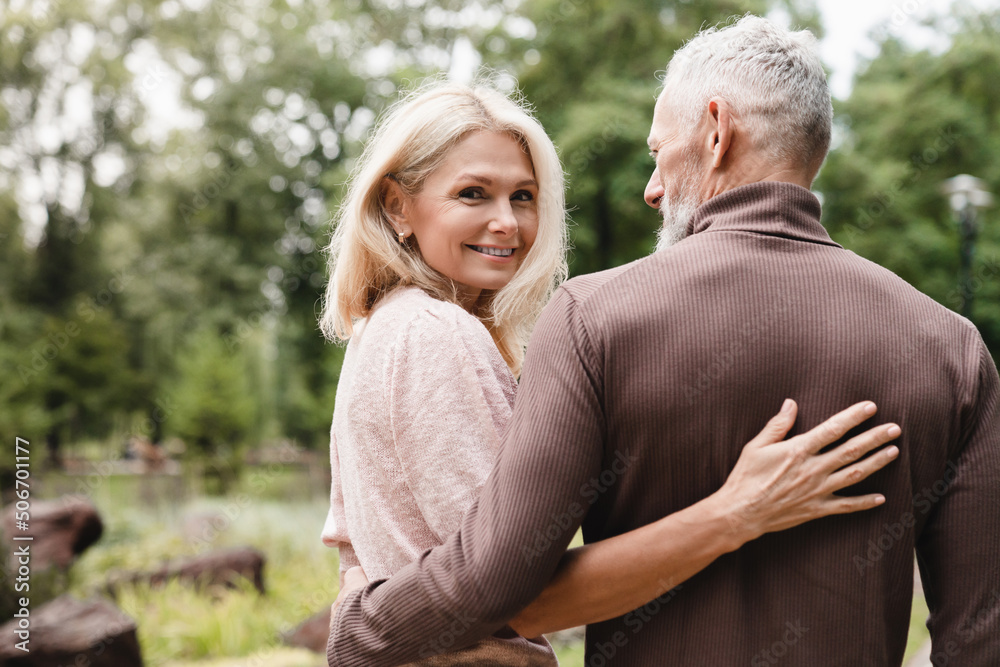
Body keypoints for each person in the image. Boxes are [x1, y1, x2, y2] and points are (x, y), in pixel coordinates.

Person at [326, 16, 1000, 667]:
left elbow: (496, 580)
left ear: (716, 131)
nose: (651, 190)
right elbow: (979, 637)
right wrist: (731, 513)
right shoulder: (952, 347)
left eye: (657, 153)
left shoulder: (593, 318)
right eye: (475, 193)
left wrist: (361, 628)